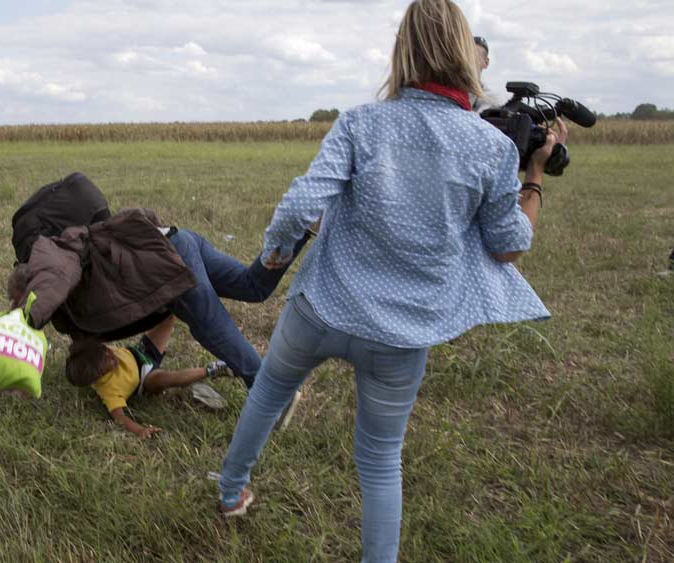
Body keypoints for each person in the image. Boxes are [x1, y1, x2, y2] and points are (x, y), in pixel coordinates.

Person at [215, 1, 567, 561]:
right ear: (464, 56)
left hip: (320, 307)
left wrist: (276, 254)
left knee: (267, 393)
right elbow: (509, 246)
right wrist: (535, 173)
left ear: (404, 51)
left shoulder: (361, 121)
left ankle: (231, 492)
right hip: (401, 335)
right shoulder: (492, 147)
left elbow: (303, 202)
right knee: (380, 460)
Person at [9, 209, 312, 393]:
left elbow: (51, 287)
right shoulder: (73, 306)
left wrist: (22, 318)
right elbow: (84, 346)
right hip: (176, 240)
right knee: (252, 287)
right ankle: (299, 228)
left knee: (209, 324)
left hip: (165, 264)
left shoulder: (57, 269)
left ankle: (270, 392)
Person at [64, 315, 231, 438]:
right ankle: (213, 369)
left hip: (142, 352)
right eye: (109, 360)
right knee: (165, 379)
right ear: (99, 375)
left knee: (168, 317)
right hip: (146, 378)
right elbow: (120, 418)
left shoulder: (96, 354)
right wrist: (139, 430)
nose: (111, 353)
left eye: (107, 350)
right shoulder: (109, 390)